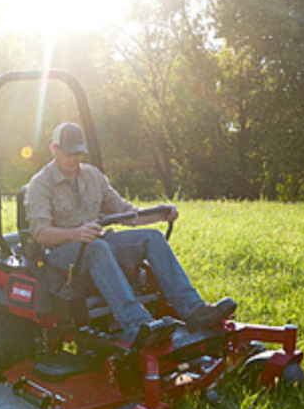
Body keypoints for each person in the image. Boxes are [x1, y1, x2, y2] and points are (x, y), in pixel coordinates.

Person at [24, 121, 237, 352]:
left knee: (152, 238)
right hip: (61, 251)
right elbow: (40, 233)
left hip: (96, 242)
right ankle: (138, 325)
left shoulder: (93, 176)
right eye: (69, 154)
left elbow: (125, 212)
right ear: (54, 149)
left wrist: (160, 213)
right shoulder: (41, 184)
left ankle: (194, 310)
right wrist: (76, 233)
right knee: (98, 248)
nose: (74, 159)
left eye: (78, 153)